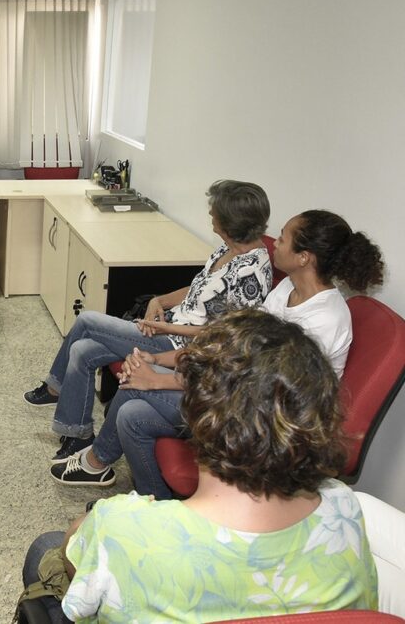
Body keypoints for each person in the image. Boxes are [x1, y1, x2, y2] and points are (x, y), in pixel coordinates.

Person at [22, 310, 379, 623]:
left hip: (113, 537)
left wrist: (95, 525)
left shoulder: (120, 527)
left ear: (193, 411)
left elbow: (75, 553)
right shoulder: (344, 507)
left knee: (46, 548)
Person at [56, 210, 385, 497]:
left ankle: (98, 464)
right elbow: (233, 351)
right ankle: (154, 501)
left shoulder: (324, 320)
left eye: (283, 238)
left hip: (267, 421)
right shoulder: (287, 290)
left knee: (131, 397)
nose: (275, 244)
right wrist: (157, 361)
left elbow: (251, 384)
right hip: (240, 393)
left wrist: (157, 382)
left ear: (304, 257)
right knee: (130, 414)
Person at [23, 179, 273, 467]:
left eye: (214, 213)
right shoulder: (227, 249)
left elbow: (223, 336)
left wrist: (167, 327)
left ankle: (55, 389)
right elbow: (197, 289)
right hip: (171, 327)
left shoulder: (251, 274)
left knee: (88, 320)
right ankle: (77, 434)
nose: (210, 217)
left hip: (181, 344)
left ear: (230, 223)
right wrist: (161, 300)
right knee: (83, 350)